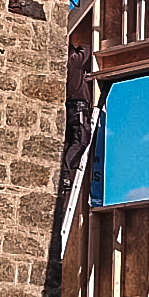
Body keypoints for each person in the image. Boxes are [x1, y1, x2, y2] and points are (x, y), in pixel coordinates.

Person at [61, 40, 94, 187]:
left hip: (71, 107)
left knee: (71, 142)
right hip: (78, 106)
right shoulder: (73, 60)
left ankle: (64, 174)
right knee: (81, 140)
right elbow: (87, 49)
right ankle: (64, 172)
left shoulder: (65, 64)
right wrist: (79, 43)